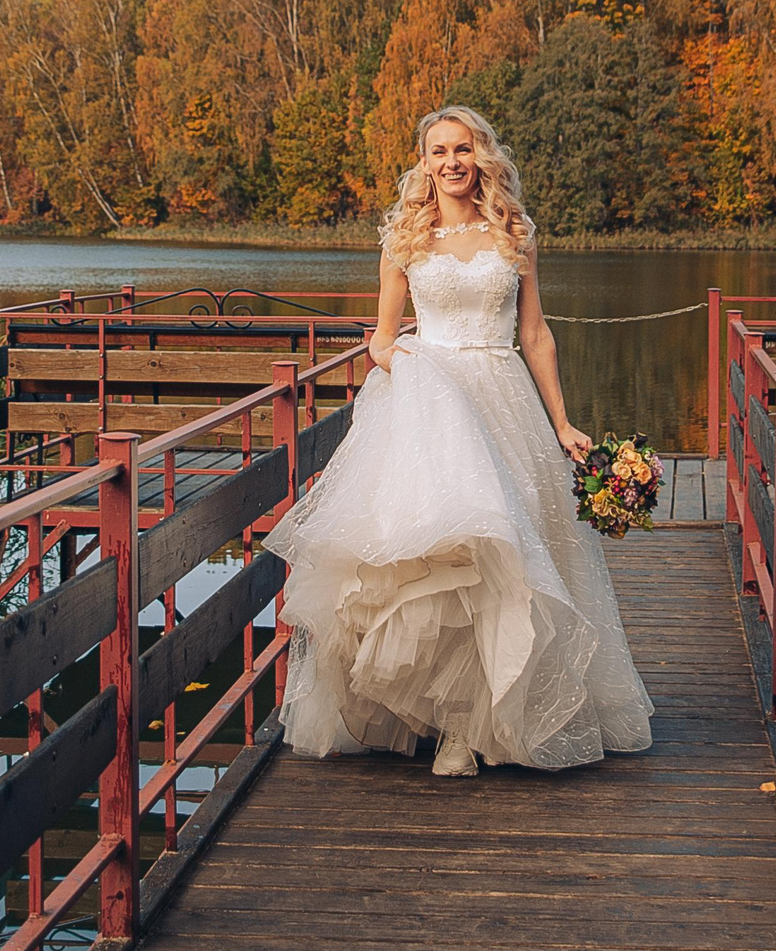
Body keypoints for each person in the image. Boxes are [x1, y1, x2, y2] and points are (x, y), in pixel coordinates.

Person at [265, 105, 655, 776]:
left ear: (483, 157)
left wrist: (563, 423)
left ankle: (483, 726)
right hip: (431, 404)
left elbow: (534, 334)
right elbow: (382, 341)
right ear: (424, 163)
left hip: (505, 400)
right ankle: (444, 723)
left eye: (463, 149)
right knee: (442, 562)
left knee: (508, 561)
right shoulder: (403, 239)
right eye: (438, 151)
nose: (451, 161)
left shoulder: (516, 233)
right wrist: (413, 364)